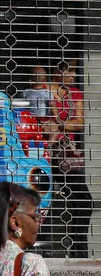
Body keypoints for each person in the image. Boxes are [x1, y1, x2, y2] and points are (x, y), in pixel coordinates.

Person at [46, 63, 91, 258]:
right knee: (43, 200)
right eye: (69, 71)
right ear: (58, 71)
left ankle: (78, 253)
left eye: (74, 71)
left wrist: (59, 124)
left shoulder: (74, 94)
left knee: (83, 202)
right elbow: (43, 124)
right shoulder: (45, 91)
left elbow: (79, 123)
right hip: (46, 153)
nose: (73, 75)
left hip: (67, 154)